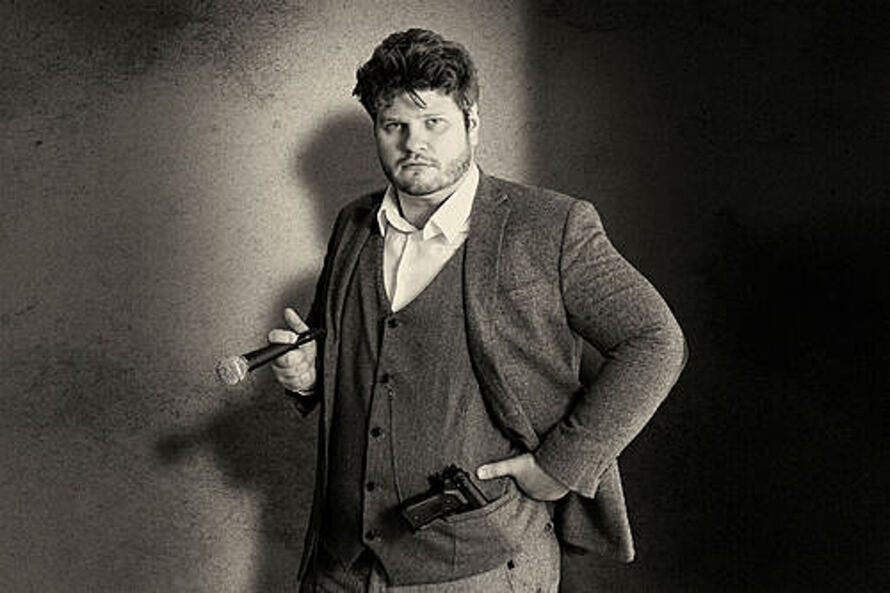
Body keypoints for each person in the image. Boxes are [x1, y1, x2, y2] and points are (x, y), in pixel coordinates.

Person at [268, 28, 687, 592]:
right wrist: (308, 376)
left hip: (481, 565)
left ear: (472, 123)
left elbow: (655, 339)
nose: (413, 143)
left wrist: (560, 465)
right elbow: (351, 358)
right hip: (340, 564)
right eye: (394, 126)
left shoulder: (552, 226)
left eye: (433, 122)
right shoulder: (353, 226)